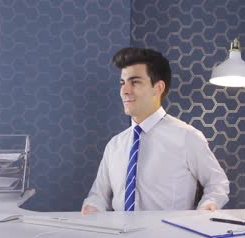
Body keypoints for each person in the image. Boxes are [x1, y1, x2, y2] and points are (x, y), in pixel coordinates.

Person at [81, 47, 229, 214]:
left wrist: (206, 207)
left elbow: (217, 183)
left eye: (135, 82)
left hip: (170, 237)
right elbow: (99, 196)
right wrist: (92, 206)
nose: (124, 90)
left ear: (158, 88)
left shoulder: (187, 137)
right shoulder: (114, 145)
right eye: (122, 83)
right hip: (118, 237)